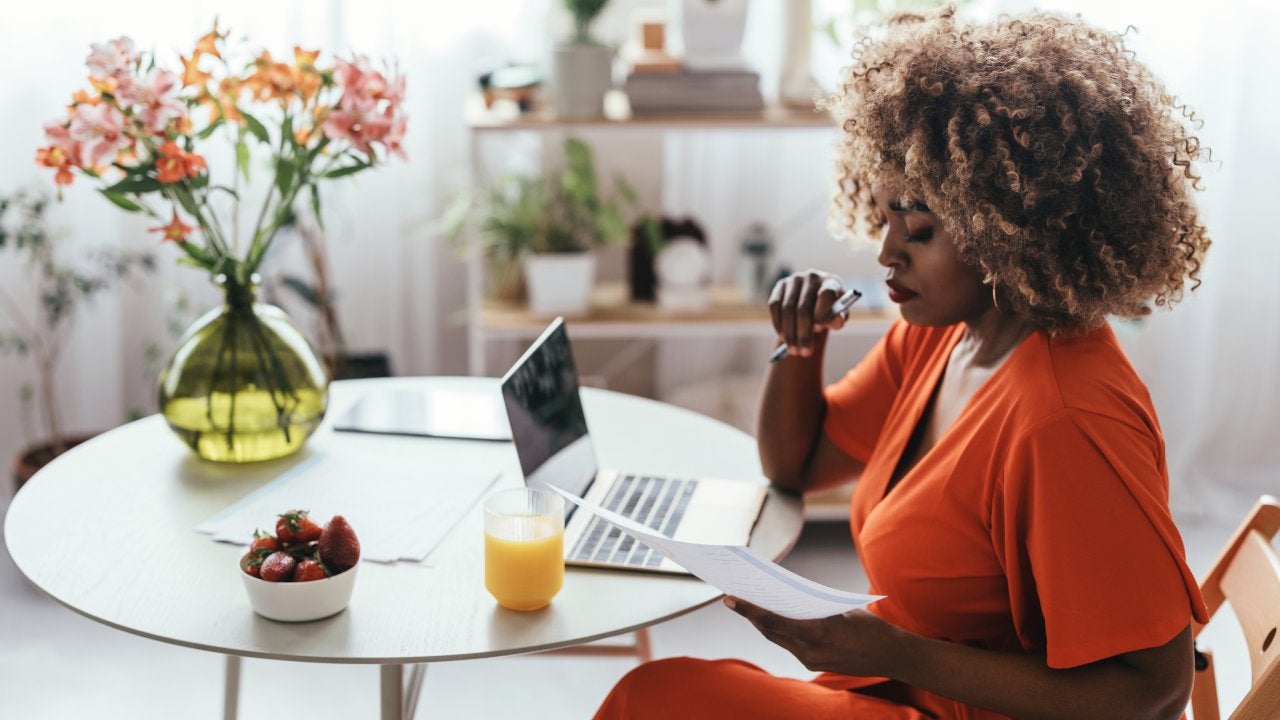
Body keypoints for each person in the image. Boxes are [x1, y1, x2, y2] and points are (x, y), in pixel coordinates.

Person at [594, 6, 1212, 720]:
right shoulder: (944, 332)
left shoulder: (1064, 420)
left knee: (655, 699)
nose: (886, 252)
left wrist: (891, 651)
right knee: (668, 695)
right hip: (902, 690)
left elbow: (1157, 692)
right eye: (884, 216)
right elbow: (796, 466)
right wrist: (799, 348)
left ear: (1005, 224)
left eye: (917, 228)